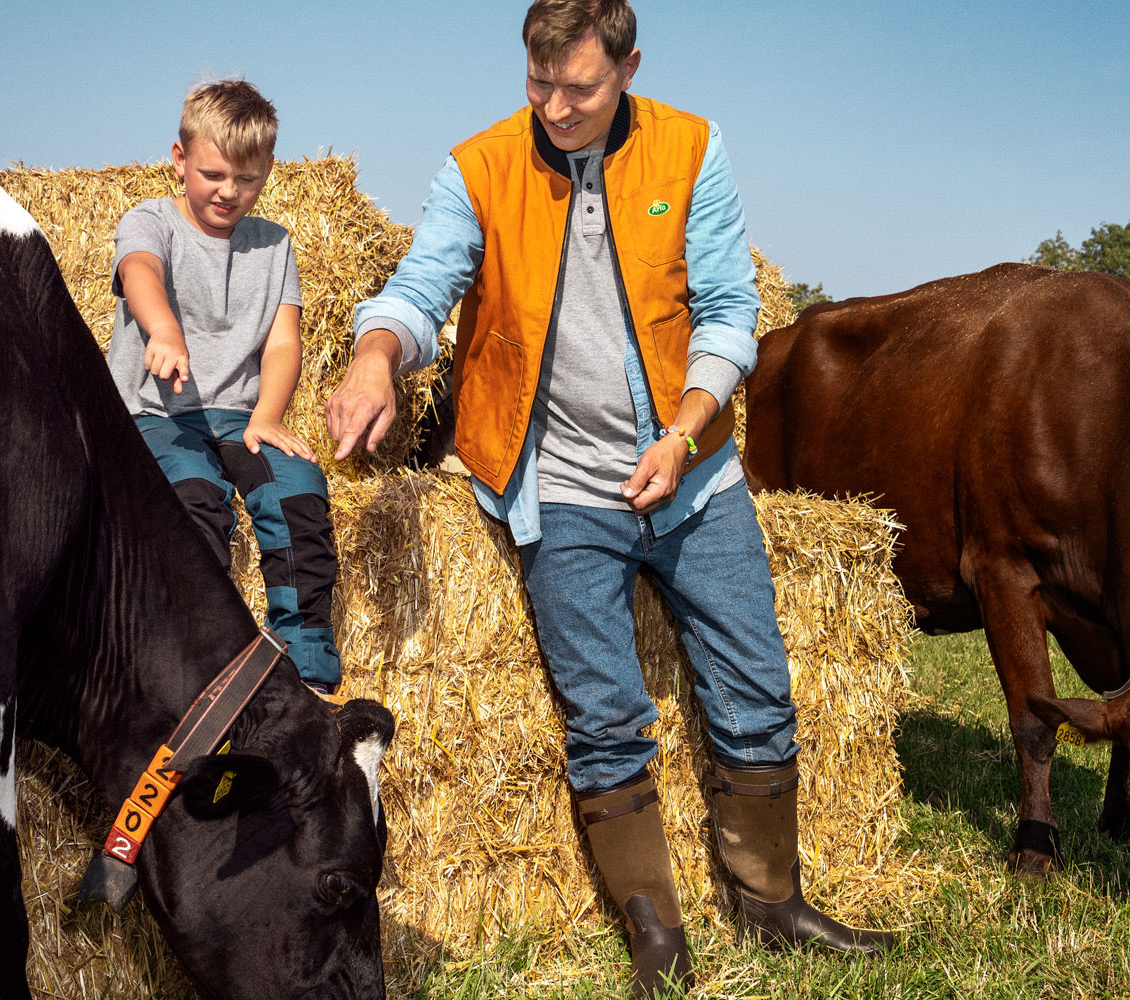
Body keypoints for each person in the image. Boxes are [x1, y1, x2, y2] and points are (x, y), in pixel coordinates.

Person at [325, 1, 895, 993]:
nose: (553, 106)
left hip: (694, 478)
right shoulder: (480, 167)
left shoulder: (690, 149)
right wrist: (378, 354)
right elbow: (420, 290)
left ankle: (772, 904)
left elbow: (728, 312)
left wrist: (680, 435)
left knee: (756, 689)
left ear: (630, 66)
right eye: (537, 84)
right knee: (604, 714)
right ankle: (656, 931)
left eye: (578, 88)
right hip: (559, 491)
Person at [107, 79, 340, 695]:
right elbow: (140, 272)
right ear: (179, 159)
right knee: (194, 498)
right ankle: (194, 656)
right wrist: (163, 331)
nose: (230, 192)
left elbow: (283, 342)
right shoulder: (150, 220)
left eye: (249, 179)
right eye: (213, 174)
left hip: (240, 413)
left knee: (297, 488)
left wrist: (268, 413)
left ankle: (304, 659)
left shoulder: (274, 244)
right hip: (159, 413)